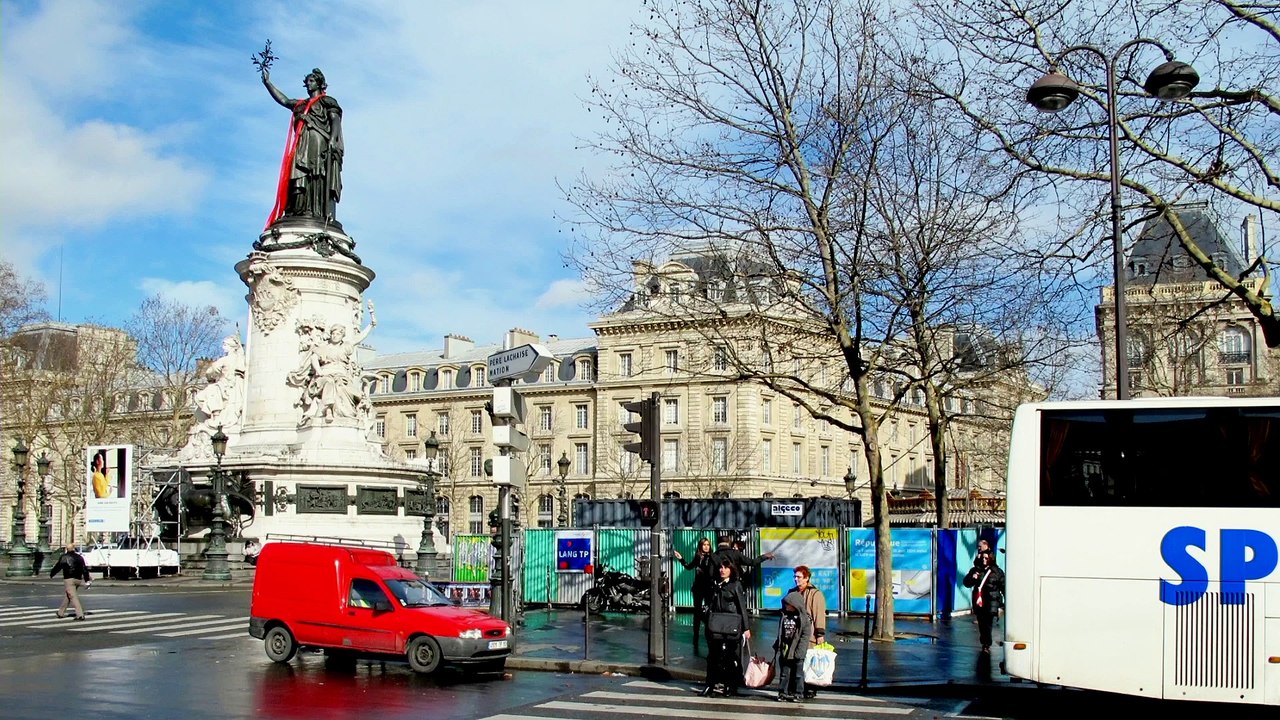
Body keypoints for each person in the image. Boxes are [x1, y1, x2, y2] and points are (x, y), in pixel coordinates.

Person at [262, 67, 343, 226]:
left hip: (318, 140)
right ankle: (298, 208)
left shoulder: (326, 101)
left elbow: (335, 121)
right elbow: (284, 100)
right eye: (307, 81)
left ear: (319, 83)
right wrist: (267, 83)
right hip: (302, 142)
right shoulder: (301, 104)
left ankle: (314, 210)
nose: (308, 84)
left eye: (311, 81)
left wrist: (333, 139)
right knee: (299, 173)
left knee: (315, 173)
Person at [701, 559, 750, 698]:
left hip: (731, 624)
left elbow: (742, 607)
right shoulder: (715, 584)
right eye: (721, 568)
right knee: (713, 656)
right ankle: (710, 685)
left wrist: (746, 628)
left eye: (725, 568)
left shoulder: (735, 585)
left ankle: (730, 685)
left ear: (731, 570)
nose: (722, 570)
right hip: (716, 623)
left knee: (729, 656)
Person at [672, 536, 716, 654]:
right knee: (697, 612)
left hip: (709, 588)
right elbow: (689, 566)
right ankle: (695, 636)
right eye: (704, 545)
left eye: (708, 545)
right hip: (698, 588)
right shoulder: (698, 557)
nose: (706, 547)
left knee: (708, 612)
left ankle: (709, 634)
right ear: (700, 546)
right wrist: (681, 559)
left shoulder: (712, 557)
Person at [790, 565, 828, 699]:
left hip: (809, 634)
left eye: (799, 577)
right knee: (796, 661)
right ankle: (796, 687)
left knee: (809, 661)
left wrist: (820, 634)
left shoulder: (815, 594)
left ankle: (810, 687)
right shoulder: (792, 592)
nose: (796, 579)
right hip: (794, 632)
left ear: (806, 578)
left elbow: (819, 614)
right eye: (795, 577)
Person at [774, 589, 813, 702]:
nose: (786, 606)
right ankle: (782, 692)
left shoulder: (804, 619)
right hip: (785, 649)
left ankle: (798, 693)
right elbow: (781, 632)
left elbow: (805, 636)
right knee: (784, 673)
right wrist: (778, 644)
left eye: (789, 604)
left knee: (798, 674)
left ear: (795, 605)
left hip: (797, 650)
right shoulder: (784, 616)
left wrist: (800, 651)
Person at [963, 550, 1005, 654]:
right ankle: (985, 643)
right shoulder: (976, 570)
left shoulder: (997, 572)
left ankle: (986, 644)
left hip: (991, 601)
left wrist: (1005, 603)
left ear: (991, 558)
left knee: (987, 623)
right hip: (979, 601)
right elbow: (966, 583)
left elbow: (1004, 587)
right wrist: (972, 578)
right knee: (982, 624)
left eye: (986, 558)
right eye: (983, 558)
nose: (984, 560)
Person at [49, 543, 92, 620]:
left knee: (73, 597)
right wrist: (87, 579)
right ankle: (60, 612)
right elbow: (84, 569)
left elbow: (58, 567)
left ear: (66, 549)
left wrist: (52, 574)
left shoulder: (64, 557)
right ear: (74, 548)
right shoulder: (79, 557)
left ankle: (80, 615)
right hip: (78, 579)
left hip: (69, 579)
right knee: (68, 596)